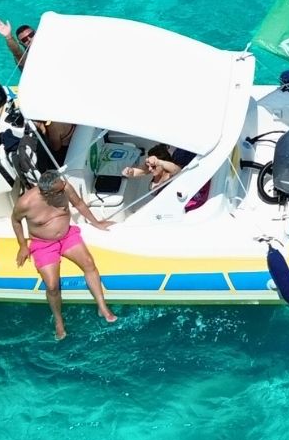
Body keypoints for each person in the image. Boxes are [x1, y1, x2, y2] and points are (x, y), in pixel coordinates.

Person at [10, 163, 117, 338]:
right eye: (59, 192)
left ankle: (102, 307)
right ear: (46, 193)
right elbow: (15, 221)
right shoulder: (26, 203)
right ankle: (59, 321)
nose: (63, 192)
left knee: (89, 263)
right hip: (43, 243)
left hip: (68, 236)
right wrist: (22, 245)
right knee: (52, 285)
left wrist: (96, 222)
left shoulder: (64, 186)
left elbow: (79, 204)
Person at [124, 143, 193, 189]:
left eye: (153, 166)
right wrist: (131, 172)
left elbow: (177, 170)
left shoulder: (171, 172)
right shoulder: (155, 170)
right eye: (149, 166)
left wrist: (158, 162)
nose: (150, 169)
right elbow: (143, 170)